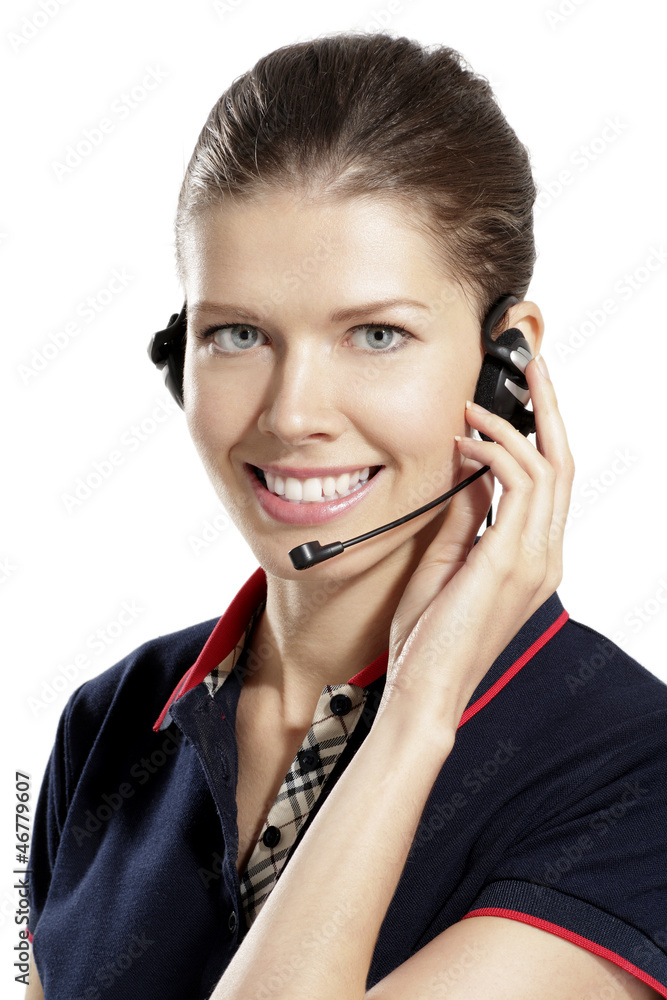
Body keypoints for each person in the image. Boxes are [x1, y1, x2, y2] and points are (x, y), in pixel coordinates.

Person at [25, 31, 667, 1000]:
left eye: (375, 334)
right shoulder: (109, 721)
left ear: (507, 367)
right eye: (237, 333)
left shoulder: (635, 773)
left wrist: (415, 715)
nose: (292, 415)